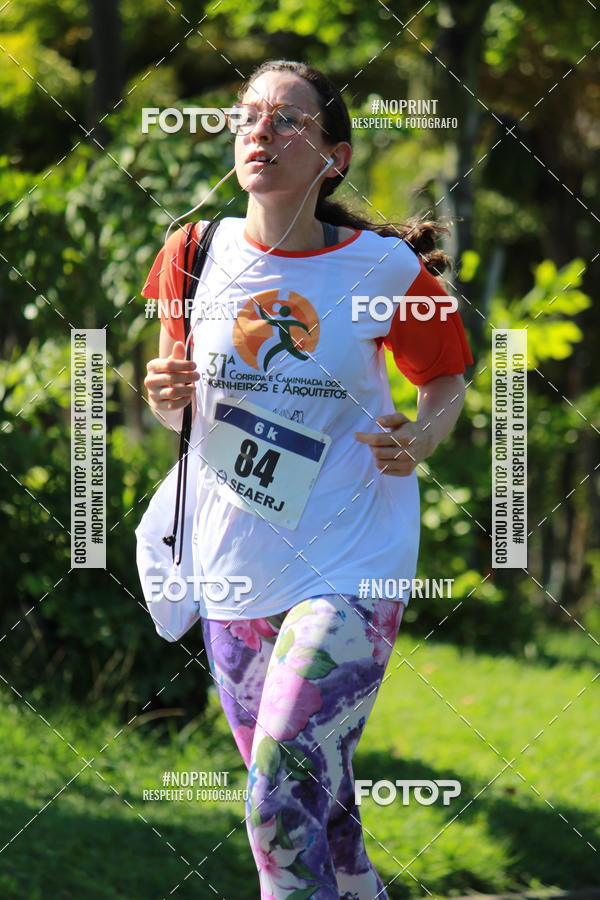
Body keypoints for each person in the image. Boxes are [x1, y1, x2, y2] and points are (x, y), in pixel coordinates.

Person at [142, 59, 473, 900]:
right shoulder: (192, 254)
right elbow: (178, 406)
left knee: (275, 801)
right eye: (249, 114)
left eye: (288, 119)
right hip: (235, 566)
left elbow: (446, 378)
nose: (261, 130)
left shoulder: (383, 270)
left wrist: (422, 436)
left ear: (335, 157)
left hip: (353, 559)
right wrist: (163, 395)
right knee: (321, 813)